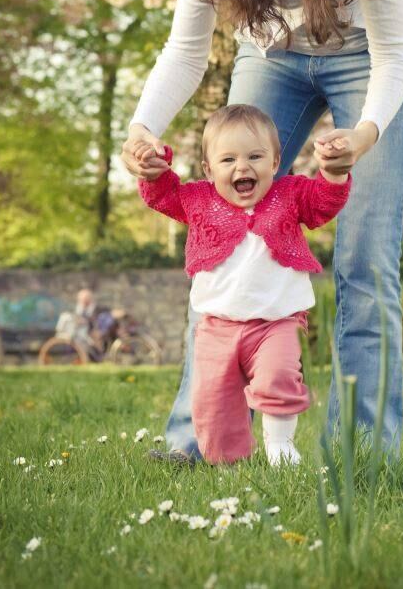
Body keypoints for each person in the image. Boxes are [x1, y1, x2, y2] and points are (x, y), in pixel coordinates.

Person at [121, 0, 403, 464]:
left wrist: (363, 137)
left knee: (365, 262)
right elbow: (185, 49)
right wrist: (142, 128)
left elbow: (394, 53)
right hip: (273, 58)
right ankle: (195, 443)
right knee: (220, 233)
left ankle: (363, 456)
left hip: (369, 58)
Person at [136, 105, 350, 464]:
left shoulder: (290, 194)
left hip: (278, 322)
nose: (242, 167)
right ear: (208, 169)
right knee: (213, 402)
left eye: (255, 156)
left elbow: (322, 204)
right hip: (217, 327)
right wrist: (155, 169)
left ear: (274, 161)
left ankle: (280, 445)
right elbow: (163, 195)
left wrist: (334, 174)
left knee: (279, 377)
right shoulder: (199, 200)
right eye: (228, 160)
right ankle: (228, 466)